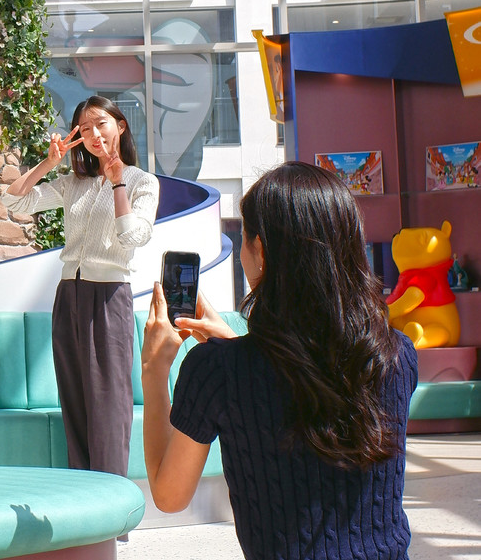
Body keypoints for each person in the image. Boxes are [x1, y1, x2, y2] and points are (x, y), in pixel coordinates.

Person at [141, 161, 418, 560]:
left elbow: (169, 496)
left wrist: (154, 371)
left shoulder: (216, 370)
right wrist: (234, 345)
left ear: (261, 252)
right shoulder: (397, 354)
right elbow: (306, 385)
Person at [2, 94, 159, 477]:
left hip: (109, 298)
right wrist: (48, 163)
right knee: (74, 402)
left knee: (109, 404)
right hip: (68, 296)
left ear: (120, 125)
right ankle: (85, 497)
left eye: (100, 124)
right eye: (85, 128)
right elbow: (14, 202)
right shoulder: (74, 183)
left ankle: (111, 500)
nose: (94, 134)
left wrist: (118, 183)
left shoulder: (143, 182)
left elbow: (132, 236)